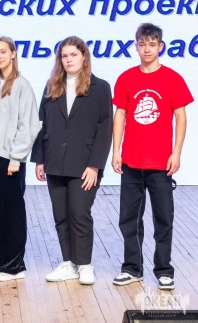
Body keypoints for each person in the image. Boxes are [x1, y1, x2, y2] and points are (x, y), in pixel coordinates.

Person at [111, 23, 193, 290]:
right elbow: (120, 115)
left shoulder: (173, 78)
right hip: (131, 161)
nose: (147, 49)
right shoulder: (126, 78)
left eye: (152, 44)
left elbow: (181, 117)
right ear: (136, 47)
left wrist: (176, 152)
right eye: (142, 44)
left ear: (161, 47)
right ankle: (132, 268)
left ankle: (164, 270)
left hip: (160, 163)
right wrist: (116, 151)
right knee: (129, 218)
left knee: (163, 218)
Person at [31, 36, 113, 286]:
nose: (68, 60)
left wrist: (95, 165)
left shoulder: (100, 87)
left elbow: (105, 127)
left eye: (73, 55)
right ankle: (69, 263)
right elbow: (41, 123)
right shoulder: (52, 86)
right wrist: (39, 159)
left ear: (84, 56)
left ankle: (84, 264)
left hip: (85, 164)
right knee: (61, 215)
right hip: (54, 161)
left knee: (79, 213)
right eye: (64, 56)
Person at [0, 37, 41, 282]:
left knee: (12, 214)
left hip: (11, 160)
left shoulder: (22, 85)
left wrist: (16, 158)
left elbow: (29, 125)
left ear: (14, 54)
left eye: (3, 52)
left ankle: (14, 266)